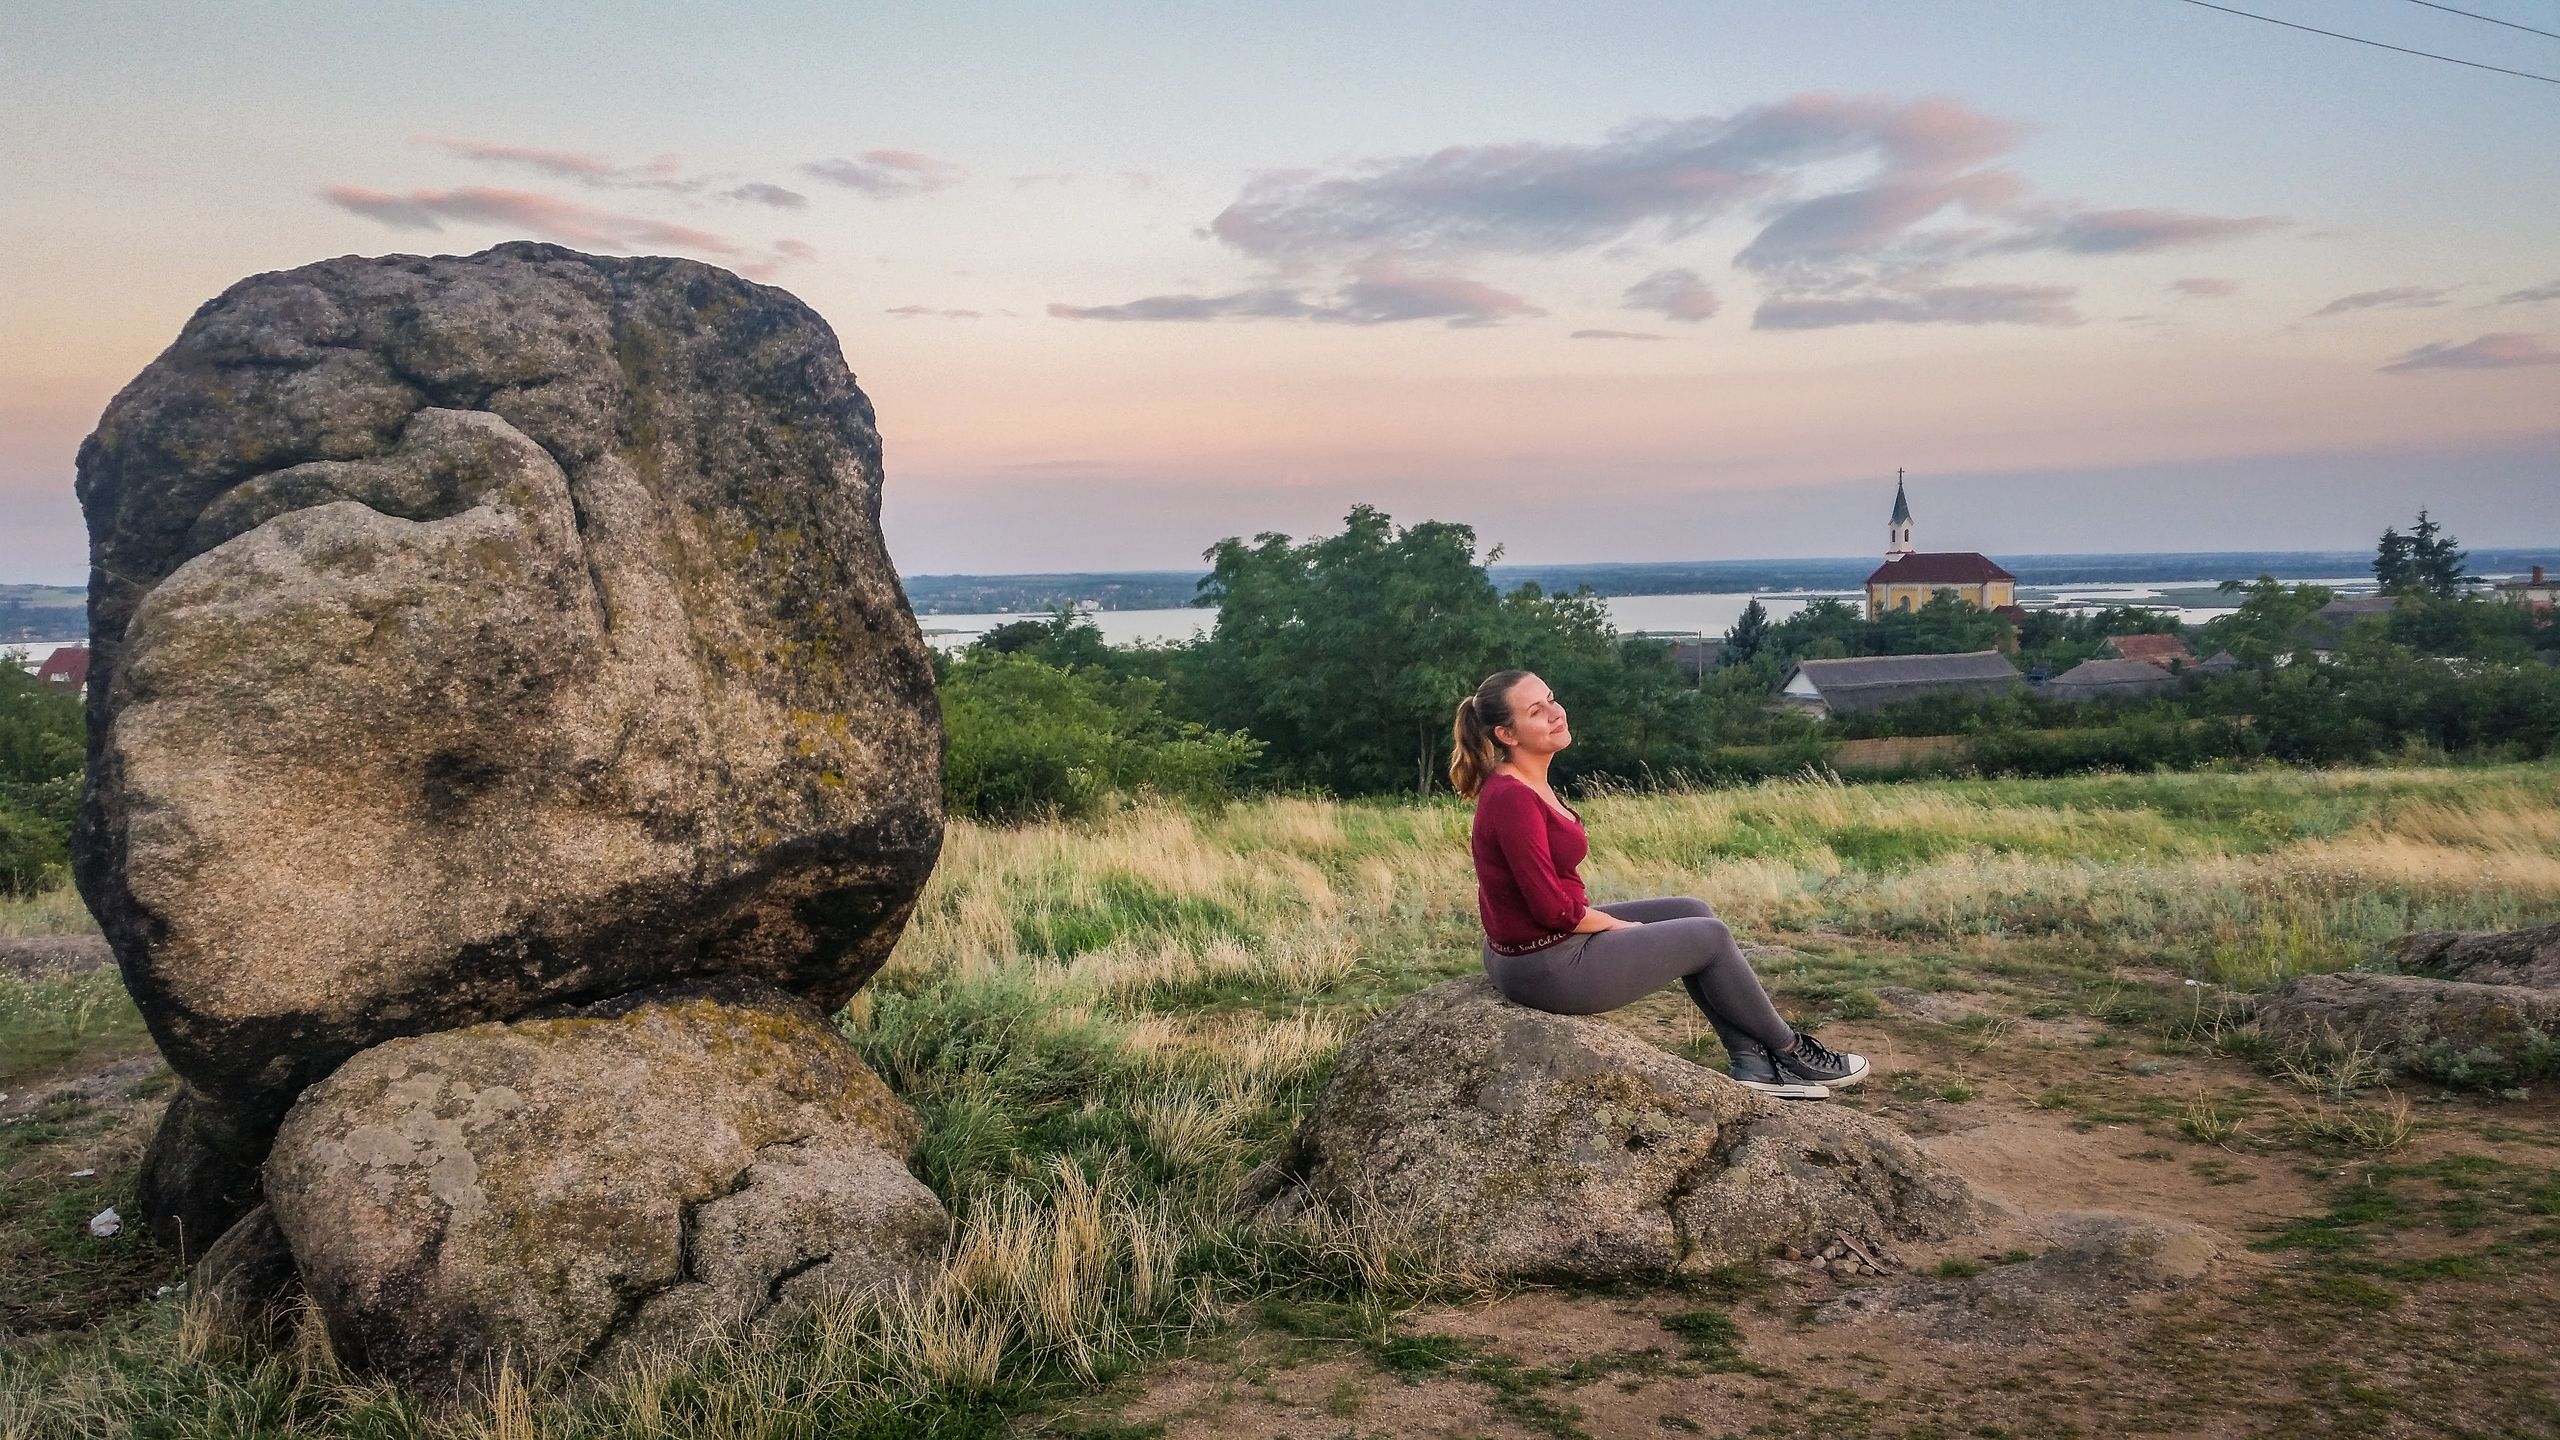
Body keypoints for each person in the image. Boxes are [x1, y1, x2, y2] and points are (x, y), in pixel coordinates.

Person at [1451, 669, 1868, 1099]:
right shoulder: (1512, 797)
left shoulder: (1522, 780)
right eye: (1537, 711)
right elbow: (1552, 910)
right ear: (1507, 733)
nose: (1556, 713)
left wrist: (1611, 925)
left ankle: (1753, 1064)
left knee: (1693, 910)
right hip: (1544, 964)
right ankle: (1792, 1051)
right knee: (1709, 937)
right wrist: (1618, 927)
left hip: (1539, 945)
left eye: (1552, 699)